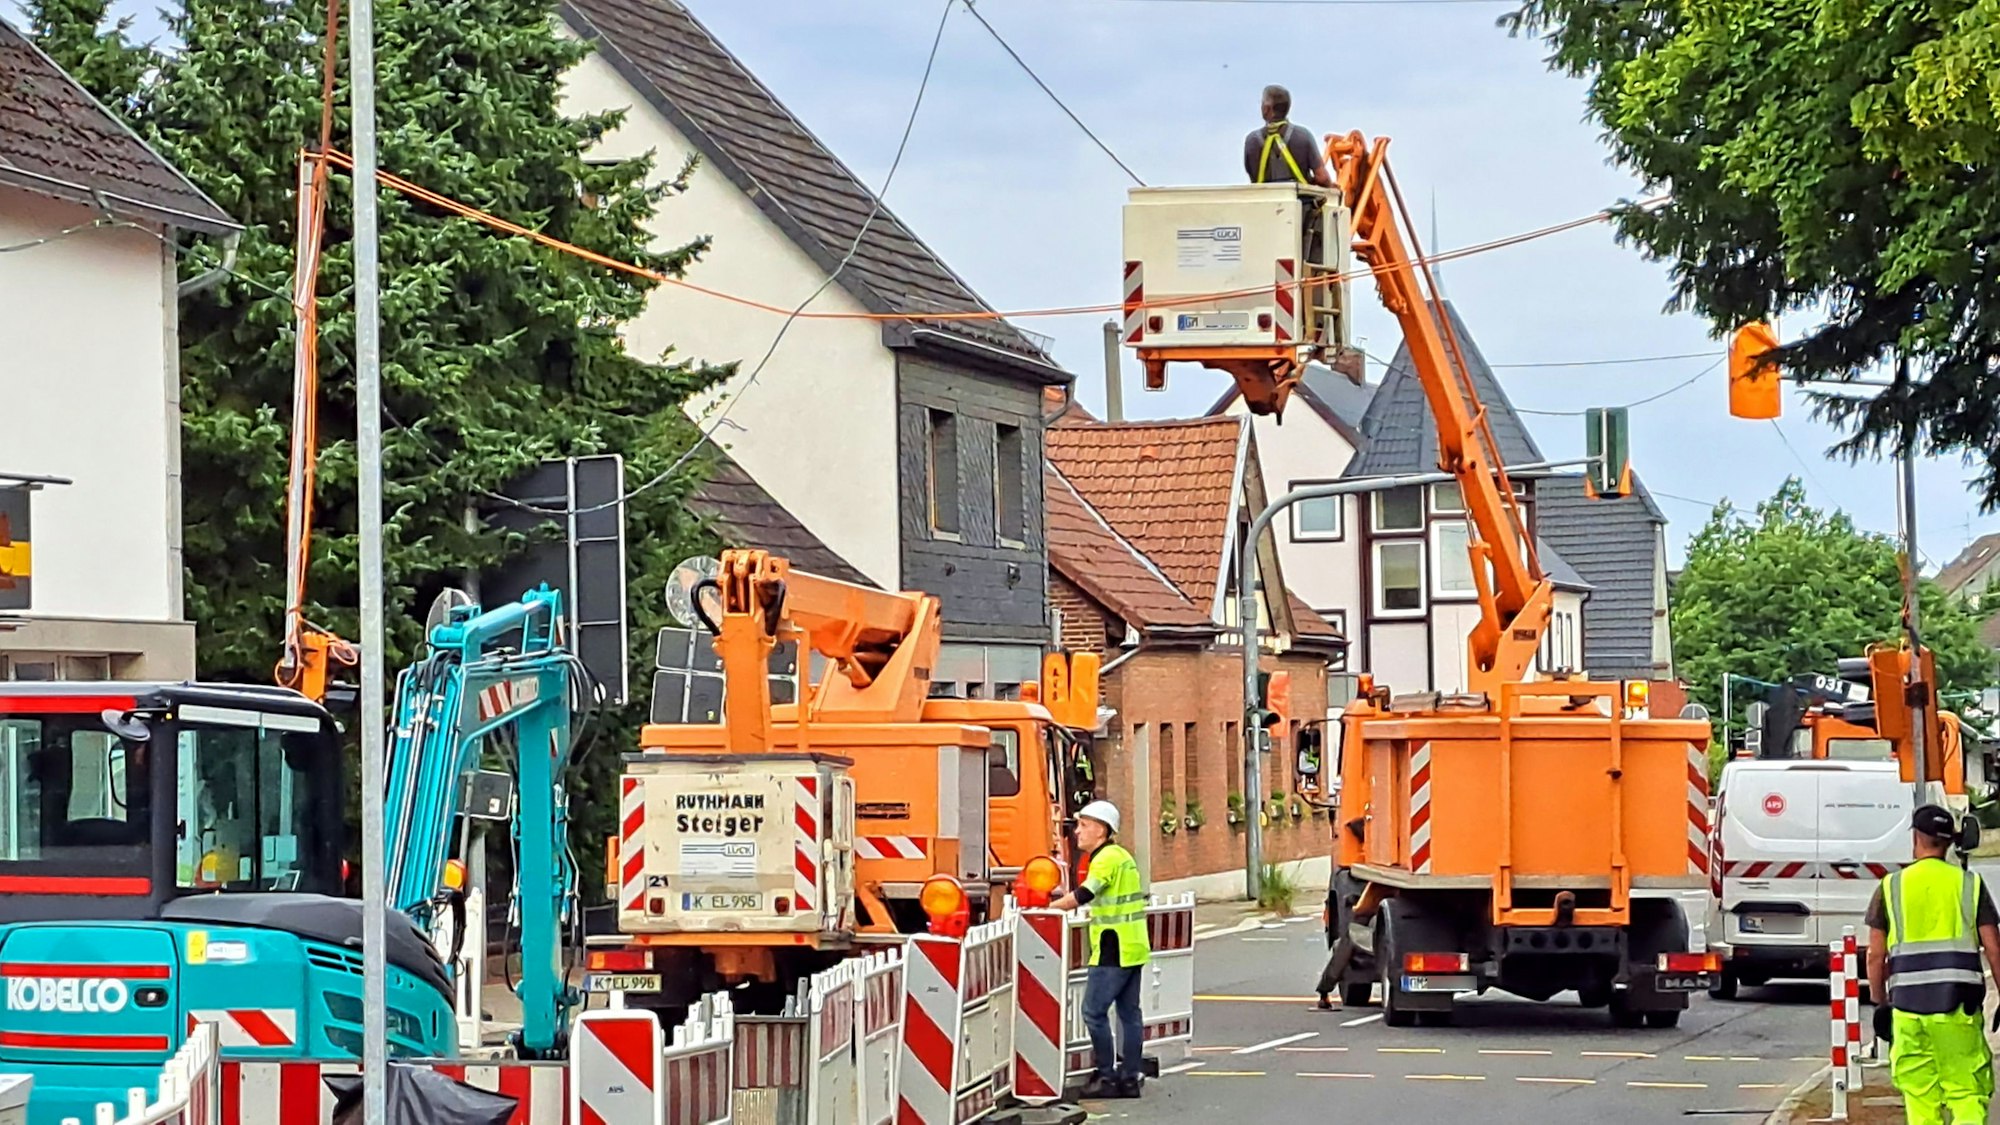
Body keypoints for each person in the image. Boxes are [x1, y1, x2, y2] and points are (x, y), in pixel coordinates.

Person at [1865, 804, 2000, 1125]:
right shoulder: (1969, 885)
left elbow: (1874, 956)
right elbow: (1994, 949)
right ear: (1949, 842)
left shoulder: (1891, 887)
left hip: (1908, 1011)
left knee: (1919, 1096)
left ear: (1916, 837)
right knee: (1967, 1091)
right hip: (1958, 1010)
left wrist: (1880, 1003)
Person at [1051, 800, 1150, 1099]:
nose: (1078, 831)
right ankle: (1130, 1077)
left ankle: (1106, 1076)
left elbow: (1084, 894)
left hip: (1113, 946)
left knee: (1093, 1012)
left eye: (1084, 825)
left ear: (1102, 830)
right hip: (1133, 945)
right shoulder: (1123, 856)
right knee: (1130, 1013)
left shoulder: (1105, 859)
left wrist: (1045, 909)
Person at [1243, 84, 1333, 188]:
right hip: (1299, 202)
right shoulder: (1303, 136)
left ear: (1266, 109)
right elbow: (1322, 178)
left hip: (1264, 200)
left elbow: (1252, 176)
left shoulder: (1251, 141)